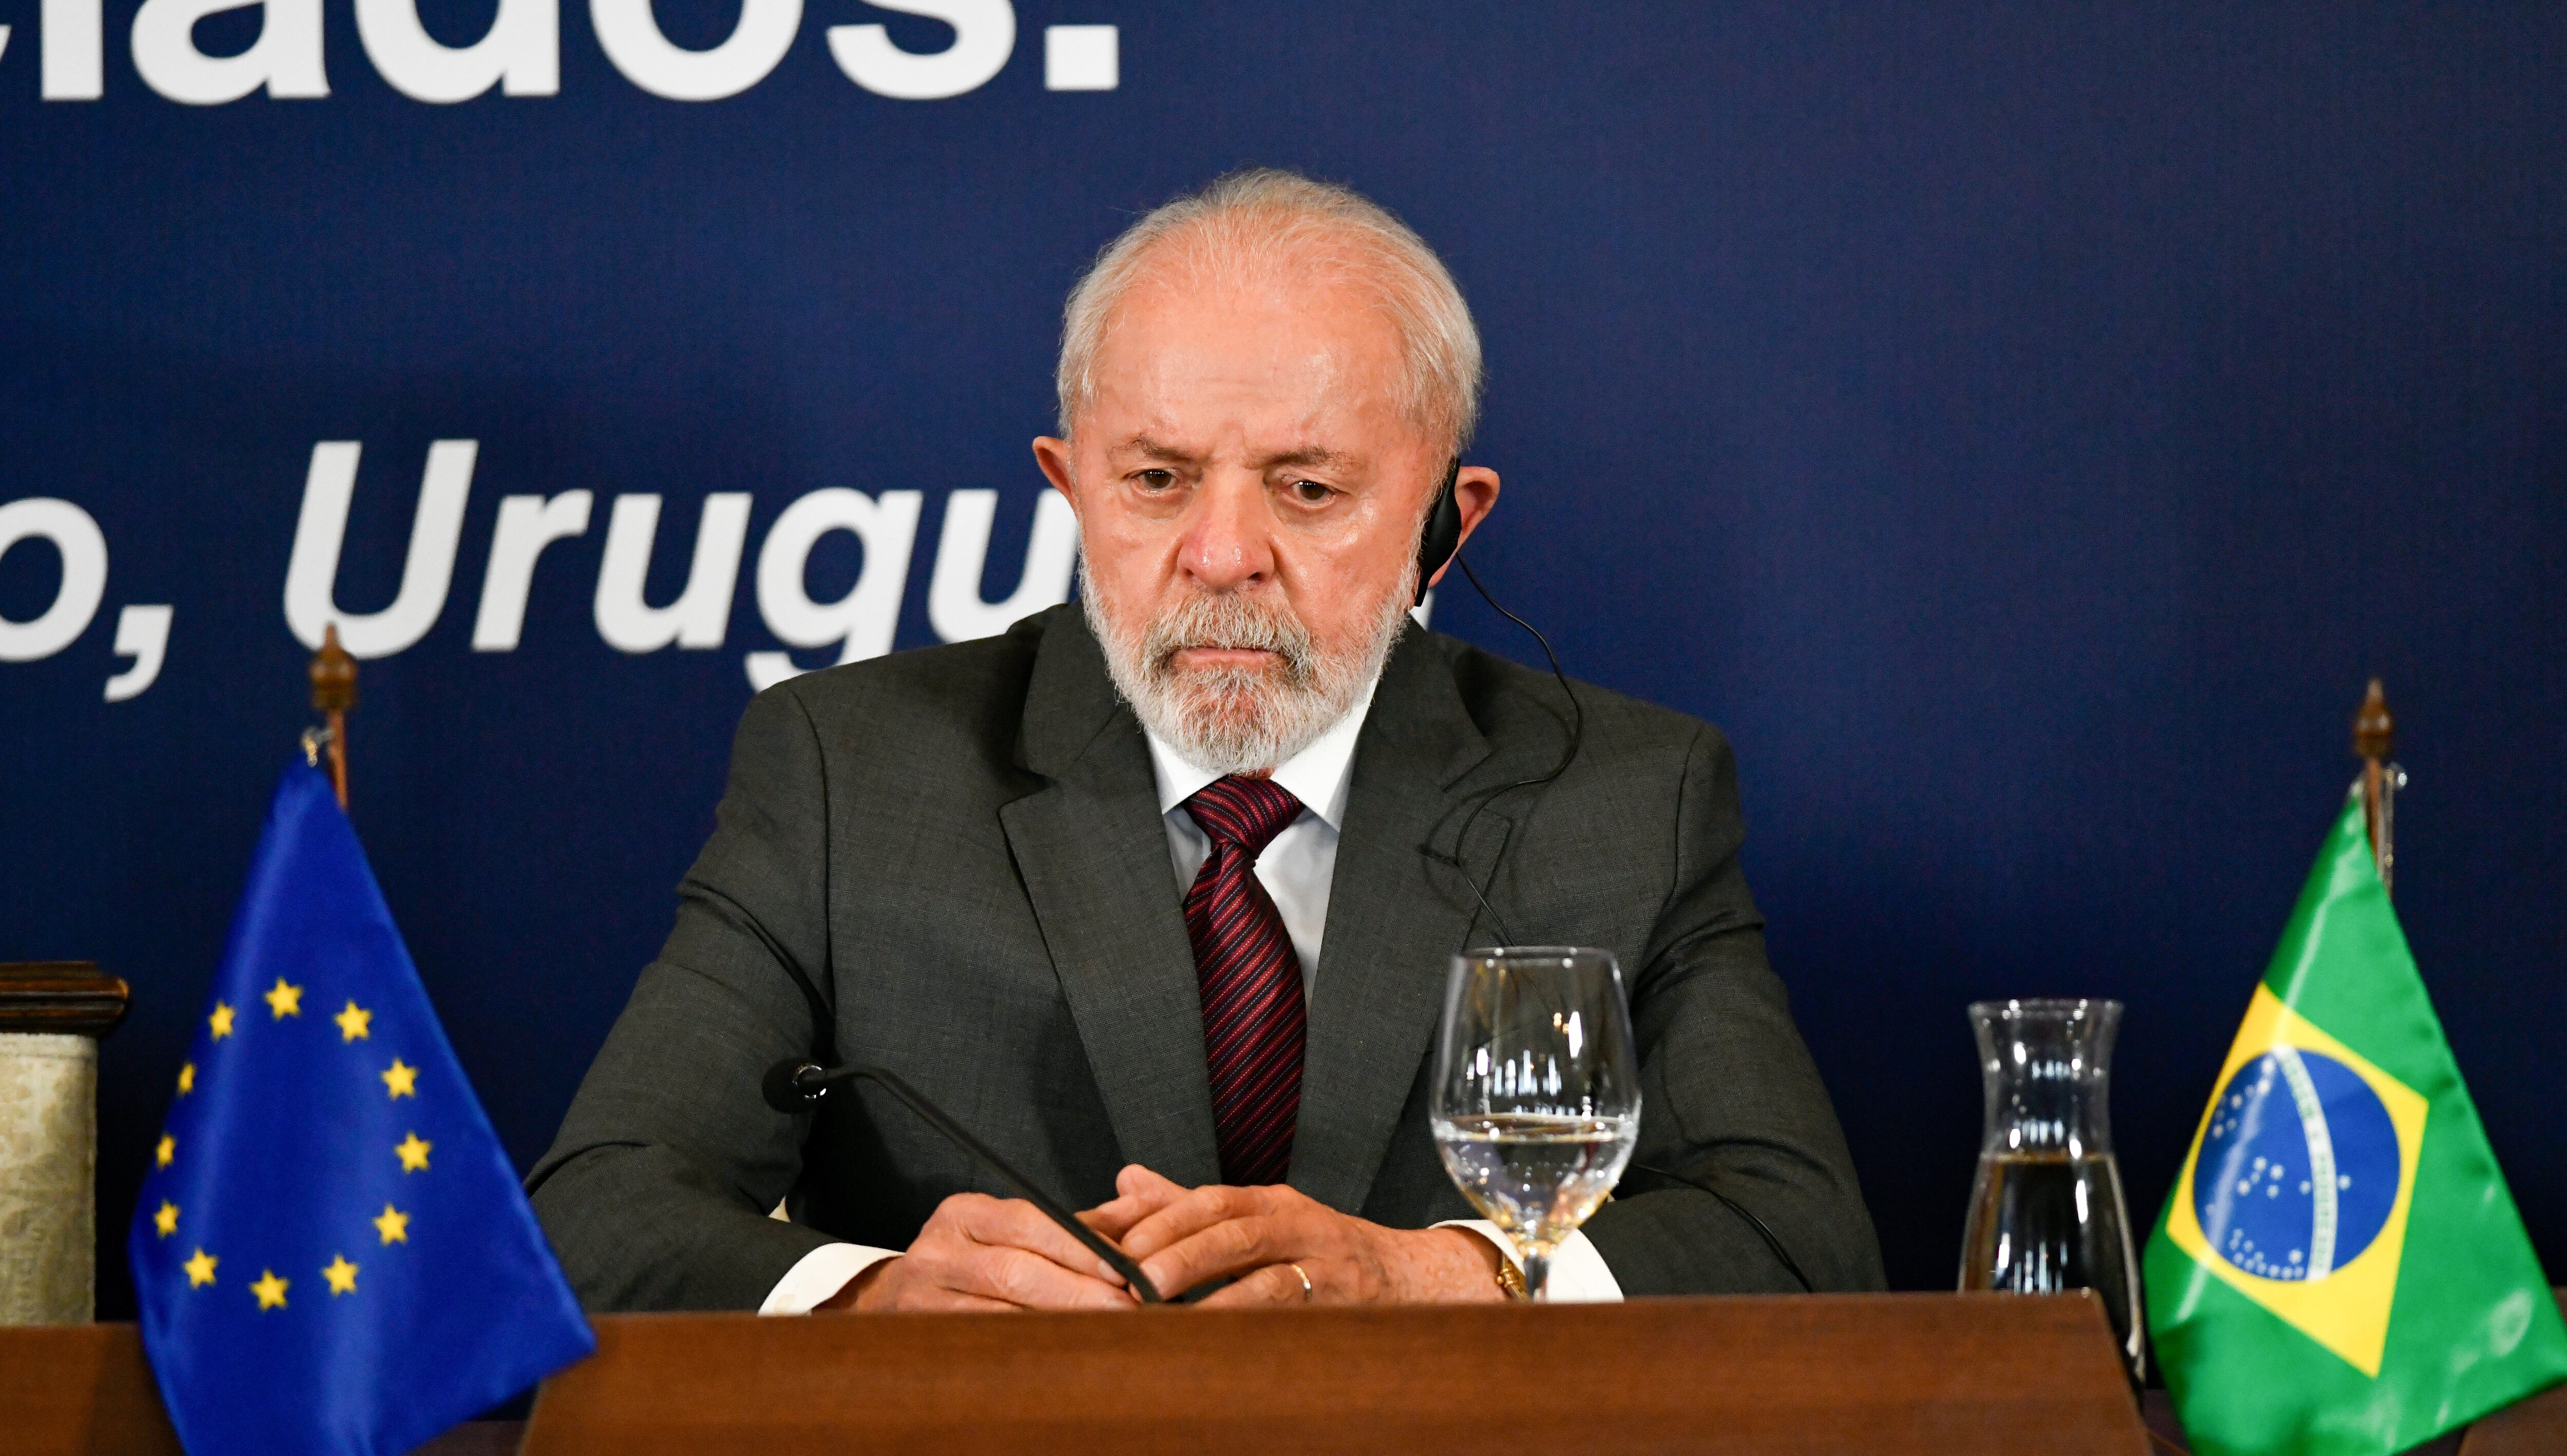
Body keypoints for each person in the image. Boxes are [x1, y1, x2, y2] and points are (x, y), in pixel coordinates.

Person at [529, 169, 1884, 1312]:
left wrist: (1445, 1275)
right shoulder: (850, 771)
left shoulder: (1626, 799)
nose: (1223, 554)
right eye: (1156, 480)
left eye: (1309, 488)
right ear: (1072, 487)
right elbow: (595, 1221)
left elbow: (1799, 1241)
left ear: (1447, 524)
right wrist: (872, 1298)